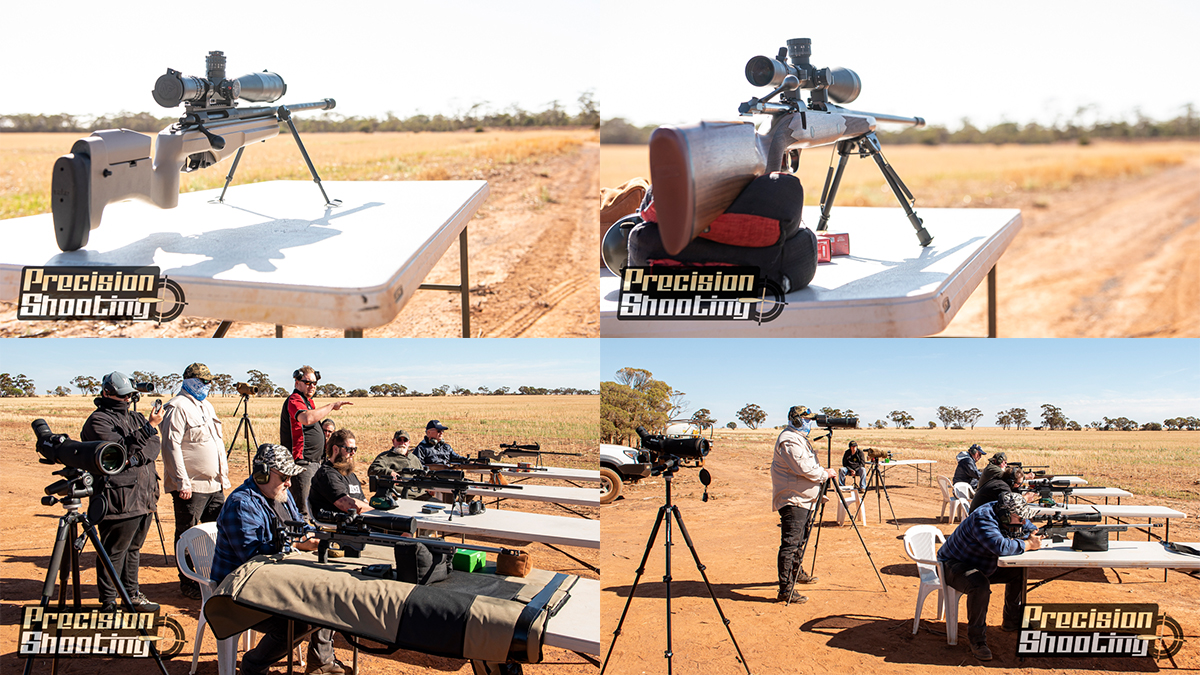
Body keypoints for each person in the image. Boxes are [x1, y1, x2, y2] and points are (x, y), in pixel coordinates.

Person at [211, 444, 351, 675]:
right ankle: (253, 666)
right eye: (284, 477)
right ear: (262, 474)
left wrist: (315, 538)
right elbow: (254, 559)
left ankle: (321, 662)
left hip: (272, 582)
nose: (289, 483)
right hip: (237, 591)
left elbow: (301, 527)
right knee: (296, 624)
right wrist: (296, 544)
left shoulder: (280, 496)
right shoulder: (241, 504)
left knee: (325, 599)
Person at [80, 371, 164, 613]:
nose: (127, 399)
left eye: (129, 395)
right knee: (113, 552)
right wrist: (148, 429)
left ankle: (132, 595)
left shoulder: (135, 418)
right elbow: (117, 451)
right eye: (123, 395)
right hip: (118, 498)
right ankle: (109, 603)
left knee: (134, 549)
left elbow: (153, 445)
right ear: (107, 393)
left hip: (144, 495)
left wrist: (134, 458)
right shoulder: (98, 421)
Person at [937, 492, 1041, 661]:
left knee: (1018, 571)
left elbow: (1028, 526)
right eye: (1020, 518)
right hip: (953, 564)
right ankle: (977, 639)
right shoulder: (983, 519)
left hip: (981, 563)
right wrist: (1028, 544)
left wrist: (1033, 532)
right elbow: (1000, 547)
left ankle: (1012, 620)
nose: (1023, 521)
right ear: (1005, 516)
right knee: (979, 585)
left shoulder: (1003, 510)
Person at [160, 362, 229, 600]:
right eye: (202, 381)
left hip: (214, 484)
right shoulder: (177, 407)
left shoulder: (206, 405)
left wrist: (222, 477)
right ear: (188, 380)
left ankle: (211, 576)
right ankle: (188, 582)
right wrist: (182, 482)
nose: (206, 385)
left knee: (216, 531)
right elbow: (171, 447)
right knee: (188, 533)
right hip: (191, 486)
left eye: (208, 381)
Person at [771, 406, 838, 605]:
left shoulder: (799, 438)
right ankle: (785, 589)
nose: (809, 423)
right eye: (806, 419)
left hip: (805, 500)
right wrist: (824, 474)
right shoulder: (789, 440)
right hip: (794, 500)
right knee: (791, 543)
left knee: (801, 540)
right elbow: (803, 468)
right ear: (796, 420)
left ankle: (797, 572)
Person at [280, 366, 352, 516]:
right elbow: (307, 418)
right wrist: (331, 406)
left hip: (313, 463)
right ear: (297, 383)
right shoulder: (294, 400)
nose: (312, 386)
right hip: (302, 463)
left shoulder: (308, 402)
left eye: (314, 383)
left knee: (313, 505)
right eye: (307, 382)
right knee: (303, 510)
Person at [310, 429, 372, 518]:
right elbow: (348, 505)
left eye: (355, 449)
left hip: (357, 520)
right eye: (349, 449)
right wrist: (376, 511)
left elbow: (363, 500)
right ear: (335, 449)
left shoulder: (350, 474)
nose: (353, 453)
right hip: (339, 523)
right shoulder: (327, 474)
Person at [367, 430, 432, 502]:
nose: (402, 443)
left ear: (409, 442)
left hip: (421, 495)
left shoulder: (414, 458)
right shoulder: (385, 457)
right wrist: (390, 473)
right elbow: (372, 470)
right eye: (399, 440)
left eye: (405, 440)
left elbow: (423, 476)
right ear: (393, 441)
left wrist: (429, 488)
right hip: (399, 496)